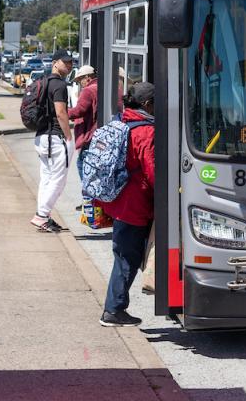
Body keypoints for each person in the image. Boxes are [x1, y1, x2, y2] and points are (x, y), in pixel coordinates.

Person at [99, 81, 156, 327]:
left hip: (120, 200)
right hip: (135, 204)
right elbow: (153, 170)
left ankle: (115, 308)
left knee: (123, 254)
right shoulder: (146, 131)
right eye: (156, 103)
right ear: (146, 104)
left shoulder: (122, 121)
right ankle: (113, 310)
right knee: (126, 258)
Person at [30, 49, 75, 233]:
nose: (69, 65)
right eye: (65, 62)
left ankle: (44, 216)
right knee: (58, 179)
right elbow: (61, 112)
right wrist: (69, 137)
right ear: (55, 63)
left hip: (41, 137)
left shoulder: (43, 81)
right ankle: (41, 215)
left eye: (71, 62)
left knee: (47, 178)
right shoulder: (59, 85)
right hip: (55, 138)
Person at [68, 65, 98, 186]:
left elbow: (79, 111)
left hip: (89, 135)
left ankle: (88, 200)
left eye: (80, 80)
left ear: (87, 77)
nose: (80, 83)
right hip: (97, 134)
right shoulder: (101, 87)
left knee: (82, 165)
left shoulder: (88, 90)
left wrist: (62, 111)